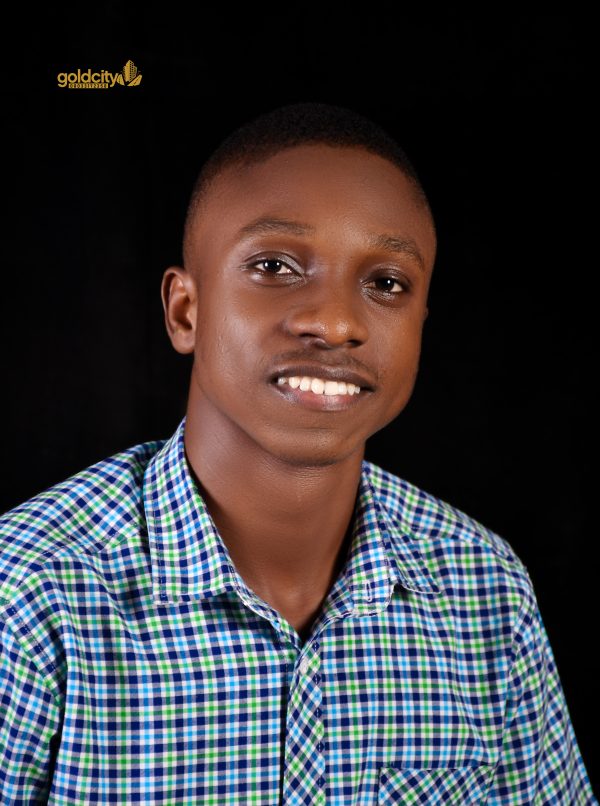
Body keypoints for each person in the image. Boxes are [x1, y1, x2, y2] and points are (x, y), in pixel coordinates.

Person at [0, 102, 595, 805]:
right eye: (275, 266)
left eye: (386, 283)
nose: (336, 322)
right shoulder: (30, 596)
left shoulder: (485, 589)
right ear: (185, 310)